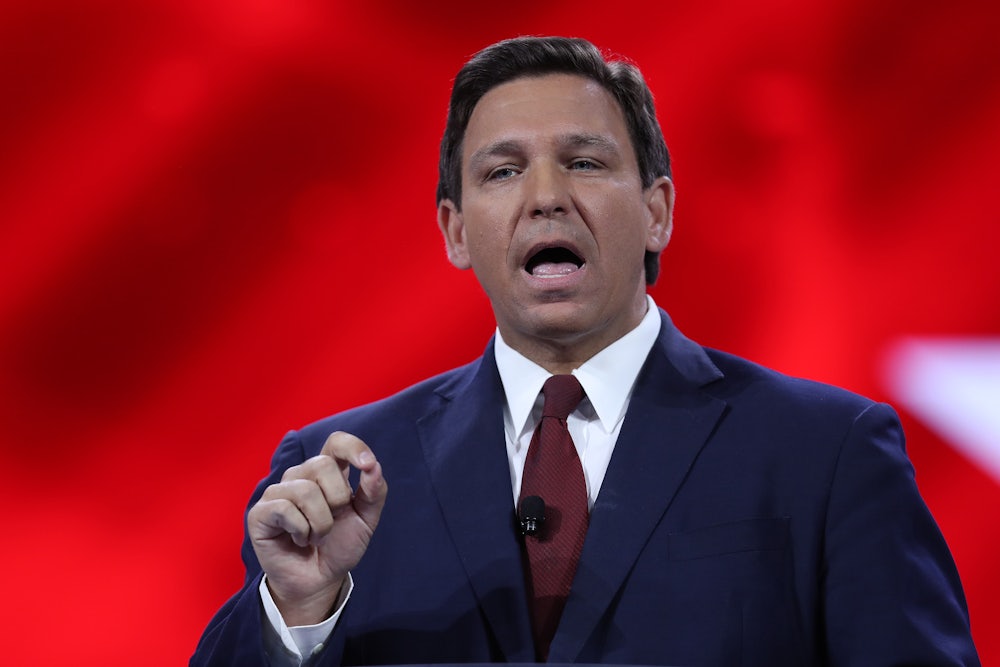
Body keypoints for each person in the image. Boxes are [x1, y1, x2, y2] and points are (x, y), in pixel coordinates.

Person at [190, 36, 980, 666]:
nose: (545, 196)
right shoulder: (345, 472)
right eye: (502, 171)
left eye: (584, 161)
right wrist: (295, 615)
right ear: (457, 232)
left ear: (658, 211)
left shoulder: (828, 451)